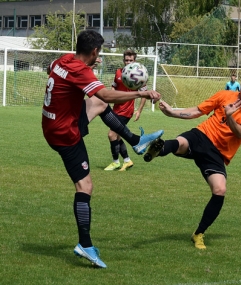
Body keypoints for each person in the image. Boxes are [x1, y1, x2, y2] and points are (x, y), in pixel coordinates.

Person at [42, 30, 163, 268]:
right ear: (95, 52)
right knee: (85, 186)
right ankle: (85, 245)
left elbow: (51, 69)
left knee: (97, 103)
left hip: (53, 120)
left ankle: (135, 142)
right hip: (64, 133)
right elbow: (106, 93)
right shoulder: (80, 70)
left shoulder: (63, 60)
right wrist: (141, 92)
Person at [143, 72, 241, 249]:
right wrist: (172, 112)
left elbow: (240, 132)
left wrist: (229, 115)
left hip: (218, 154)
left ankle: (198, 233)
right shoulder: (224, 95)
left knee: (220, 189)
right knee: (180, 143)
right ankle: (158, 149)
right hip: (202, 135)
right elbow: (198, 111)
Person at [104, 50, 147, 171]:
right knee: (117, 136)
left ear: (135, 61)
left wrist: (139, 110)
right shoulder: (118, 72)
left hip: (126, 111)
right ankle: (127, 160)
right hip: (116, 109)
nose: (128, 62)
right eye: (126, 60)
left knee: (112, 134)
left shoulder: (138, 75)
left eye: (131, 60)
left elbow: (144, 94)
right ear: (124, 60)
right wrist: (111, 94)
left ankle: (115, 162)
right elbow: (114, 85)